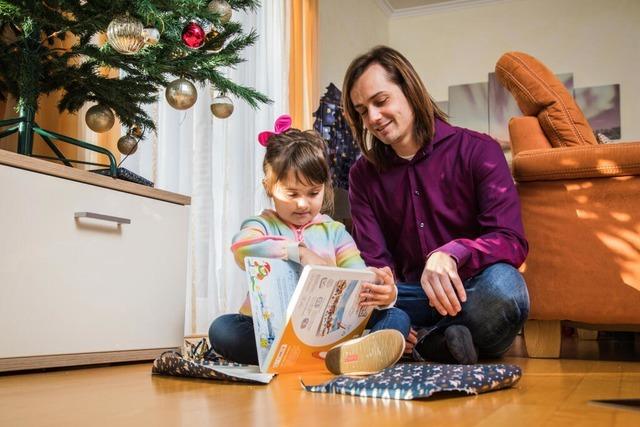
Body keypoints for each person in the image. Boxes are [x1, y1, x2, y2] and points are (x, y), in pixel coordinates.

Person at [342, 46, 530, 364]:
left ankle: (424, 342)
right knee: (372, 298)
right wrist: (392, 299)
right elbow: (377, 264)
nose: (372, 118)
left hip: (471, 293)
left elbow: (510, 240)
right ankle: (435, 340)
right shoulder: (362, 176)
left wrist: (453, 254)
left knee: (506, 287)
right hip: (407, 298)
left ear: (409, 89)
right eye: (362, 111)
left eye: (381, 101)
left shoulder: (479, 150)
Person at [208, 115, 411, 375]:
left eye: (313, 193)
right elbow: (241, 247)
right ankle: (328, 359)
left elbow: (357, 273)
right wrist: (298, 252)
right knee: (222, 329)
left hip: (331, 332)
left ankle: (353, 355)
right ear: (269, 188)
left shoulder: (334, 232)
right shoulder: (263, 224)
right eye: (291, 194)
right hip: (273, 332)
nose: (302, 204)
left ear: (324, 188)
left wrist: (381, 288)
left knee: (397, 317)